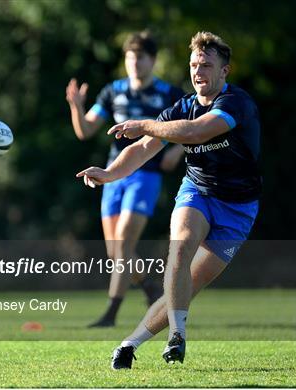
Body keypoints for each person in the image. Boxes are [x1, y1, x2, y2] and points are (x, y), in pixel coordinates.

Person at [77, 31, 261, 368]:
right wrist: (109, 173)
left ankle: (129, 344)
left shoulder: (236, 102)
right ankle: (178, 335)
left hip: (238, 209)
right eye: (193, 65)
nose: (198, 71)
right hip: (197, 191)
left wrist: (146, 124)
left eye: (206, 65)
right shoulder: (184, 105)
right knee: (180, 247)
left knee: (188, 285)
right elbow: (143, 149)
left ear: (225, 71)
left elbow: (195, 132)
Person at [66, 31, 185, 327]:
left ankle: (111, 313)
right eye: (130, 57)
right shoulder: (112, 92)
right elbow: (85, 131)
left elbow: (191, 125)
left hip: (145, 174)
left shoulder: (168, 93)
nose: (135, 63)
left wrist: (179, 150)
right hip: (113, 174)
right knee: (115, 250)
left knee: (123, 244)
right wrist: (76, 106)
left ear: (153, 61)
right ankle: (149, 286)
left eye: (141, 57)